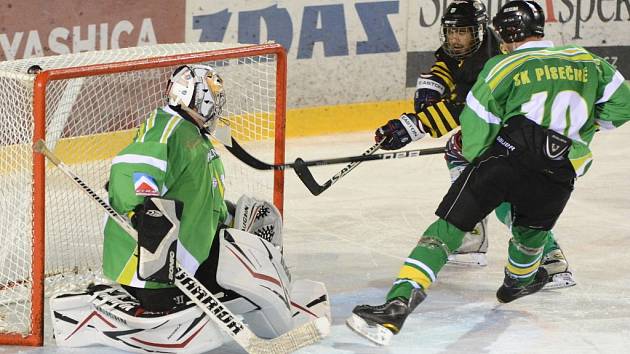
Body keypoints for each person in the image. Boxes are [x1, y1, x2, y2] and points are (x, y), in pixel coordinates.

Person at [348, 0, 630, 345]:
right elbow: (623, 108)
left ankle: (399, 303)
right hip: (560, 173)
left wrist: (482, 164)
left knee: (445, 230)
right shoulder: (587, 60)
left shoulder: (501, 65)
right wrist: (579, 130)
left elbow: (476, 132)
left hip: (505, 164)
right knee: (529, 242)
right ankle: (527, 276)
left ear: (504, 34)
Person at [50, 64, 330, 352]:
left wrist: (227, 219)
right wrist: (139, 212)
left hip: (189, 258)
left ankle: (274, 311)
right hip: (155, 271)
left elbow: (202, 197)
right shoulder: (166, 129)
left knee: (257, 217)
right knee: (248, 255)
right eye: (211, 97)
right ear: (193, 95)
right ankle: (115, 312)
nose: (216, 105)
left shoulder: (194, 133)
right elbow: (128, 170)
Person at [374, 0, 575, 289]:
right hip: (512, 131)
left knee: (503, 187)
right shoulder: (473, 51)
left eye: (464, 32)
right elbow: (449, 65)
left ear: (480, 32)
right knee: (460, 150)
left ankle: (551, 258)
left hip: (525, 139)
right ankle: (471, 236)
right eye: (452, 32)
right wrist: (434, 82)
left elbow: (464, 108)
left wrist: (415, 126)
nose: (455, 38)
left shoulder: (491, 60)